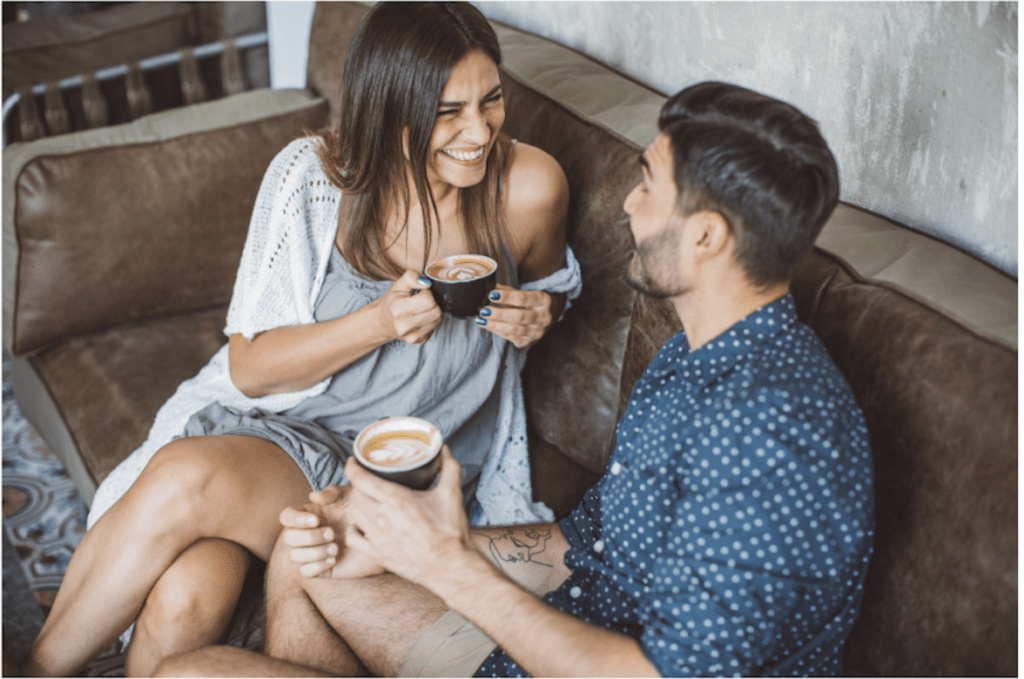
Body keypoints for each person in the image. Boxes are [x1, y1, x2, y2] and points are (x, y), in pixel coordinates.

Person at [156, 81, 875, 678]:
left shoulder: (774, 428)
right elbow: (593, 540)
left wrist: (445, 566)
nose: (627, 202)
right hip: (559, 630)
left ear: (706, 236)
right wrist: (427, 538)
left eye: (649, 184)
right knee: (322, 544)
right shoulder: (696, 354)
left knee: (187, 675)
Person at [23, 3, 582, 676]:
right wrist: (376, 322)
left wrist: (539, 313)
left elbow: (551, 294)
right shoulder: (313, 179)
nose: (479, 131)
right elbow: (250, 368)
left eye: (490, 100)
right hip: (292, 441)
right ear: (391, 109)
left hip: (404, 478)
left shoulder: (530, 187)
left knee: (184, 592)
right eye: (448, 112)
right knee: (183, 526)